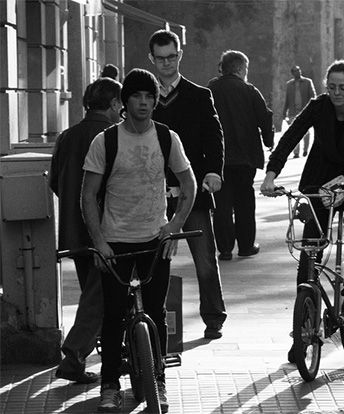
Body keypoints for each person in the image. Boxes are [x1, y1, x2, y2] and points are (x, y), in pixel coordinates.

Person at [81, 68, 196, 413]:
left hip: (154, 239)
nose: (144, 103)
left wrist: (174, 225)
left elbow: (188, 187)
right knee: (113, 315)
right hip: (115, 242)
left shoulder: (166, 137)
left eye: (150, 97)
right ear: (125, 102)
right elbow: (87, 196)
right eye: (137, 97)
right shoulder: (106, 141)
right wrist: (99, 241)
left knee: (158, 314)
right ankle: (110, 385)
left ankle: (157, 381)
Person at [260, 60, 344, 361]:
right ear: (325, 86)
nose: (337, 93)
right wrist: (271, 173)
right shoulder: (318, 106)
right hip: (323, 180)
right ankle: (303, 320)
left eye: (343, 88)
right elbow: (291, 137)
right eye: (331, 87)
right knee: (310, 244)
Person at [148, 29, 228, 341]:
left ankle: (213, 316)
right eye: (160, 58)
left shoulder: (199, 95)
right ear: (152, 59)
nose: (167, 63)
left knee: (206, 258)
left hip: (193, 190)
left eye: (172, 56)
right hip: (152, 193)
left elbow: (215, 136)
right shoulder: (145, 98)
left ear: (180, 55)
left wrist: (213, 172)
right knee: (150, 261)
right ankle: (150, 320)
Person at [50, 77, 122, 385]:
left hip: (74, 233)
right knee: (101, 296)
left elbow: (55, 180)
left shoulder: (68, 136)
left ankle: (105, 353)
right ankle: (75, 355)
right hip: (105, 231)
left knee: (94, 294)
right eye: (120, 102)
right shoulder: (111, 136)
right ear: (113, 105)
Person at [209, 50, 274, 260]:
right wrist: (268, 141)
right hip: (245, 157)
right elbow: (264, 117)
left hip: (219, 157)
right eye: (246, 68)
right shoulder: (249, 90)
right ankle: (246, 245)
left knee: (222, 203)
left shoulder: (211, 89)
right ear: (239, 68)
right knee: (245, 202)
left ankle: (225, 248)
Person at [283, 65, 316, 158]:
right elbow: (287, 100)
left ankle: (305, 150)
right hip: (293, 112)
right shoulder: (289, 85)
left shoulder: (307, 82)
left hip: (305, 111)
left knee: (306, 131)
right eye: (295, 71)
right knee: (294, 132)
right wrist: (284, 112)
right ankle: (296, 152)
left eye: (298, 70)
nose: (297, 72)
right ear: (292, 73)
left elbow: (313, 96)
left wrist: (313, 109)